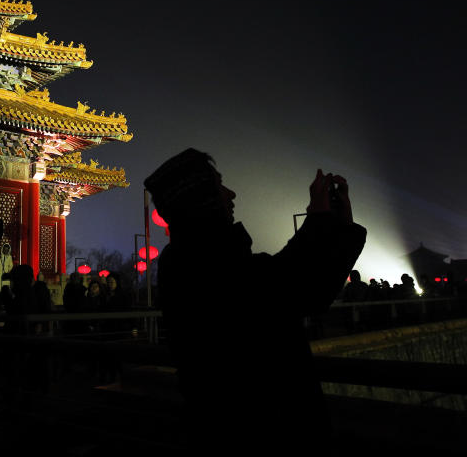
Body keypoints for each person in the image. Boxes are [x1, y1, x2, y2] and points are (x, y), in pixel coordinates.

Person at [144, 148, 366, 452]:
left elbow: (286, 283)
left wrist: (331, 222)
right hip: (261, 434)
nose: (230, 194)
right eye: (218, 185)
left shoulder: (186, 263)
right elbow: (293, 287)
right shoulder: (207, 266)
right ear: (200, 198)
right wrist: (322, 218)